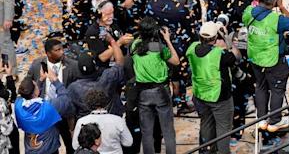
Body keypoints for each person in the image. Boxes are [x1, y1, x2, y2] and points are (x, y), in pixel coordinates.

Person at [242, 0, 289, 131]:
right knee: (277, 89)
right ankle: (275, 120)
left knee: (260, 86)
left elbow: (250, 6)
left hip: (255, 59)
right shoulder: (276, 19)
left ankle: (262, 119)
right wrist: (282, 6)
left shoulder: (248, 12)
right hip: (274, 60)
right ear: (274, 2)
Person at [186, 21, 241, 154]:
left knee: (206, 124)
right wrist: (227, 39)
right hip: (219, 97)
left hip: (200, 94)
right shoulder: (220, 55)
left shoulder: (192, 48)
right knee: (223, 128)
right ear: (215, 38)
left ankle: (205, 151)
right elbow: (237, 57)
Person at [130, 16, 179, 154]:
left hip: (142, 93)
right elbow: (175, 61)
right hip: (160, 92)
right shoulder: (158, 47)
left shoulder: (134, 45)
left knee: (146, 132)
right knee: (168, 130)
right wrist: (168, 40)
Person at [14, 64, 75, 154]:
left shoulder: (18, 105)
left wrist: (41, 80)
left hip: (31, 151)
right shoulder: (49, 107)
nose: (37, 84)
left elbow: (29, 95)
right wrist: (55, 79)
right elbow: (65, 97)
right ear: (35, 93)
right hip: (49, 150)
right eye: (36, 85)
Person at [71, 89, 132, 154]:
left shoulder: (81, 121)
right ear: (105, 102)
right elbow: (128, 142)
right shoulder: (118, 120)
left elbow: (75, 145)